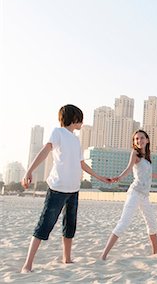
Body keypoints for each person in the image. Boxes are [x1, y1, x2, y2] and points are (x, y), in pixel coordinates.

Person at [21, 104, 110, 273]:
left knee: (70, 225)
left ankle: (67, 258)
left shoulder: (76, 140)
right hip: (57, 187)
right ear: (74, 118)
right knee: (45, 223)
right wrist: (29, 171)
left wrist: (100, 178)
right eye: (80, 119)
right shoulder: (58, 132)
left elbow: (82, 164)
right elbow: (45, 151)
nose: (82, 123)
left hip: (73, 189)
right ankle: (28, 264)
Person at [101, 130, 157, 260]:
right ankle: (103, 255)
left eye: (142, 138)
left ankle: (156, 251)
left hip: (144, 196)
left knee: (152, 223)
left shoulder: (147, 158)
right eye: (136, 139)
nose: (139, 141)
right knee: (123, 223)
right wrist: (119, 177)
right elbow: (128, 168)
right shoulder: (135, 153)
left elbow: (149, 175)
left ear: (147, 140)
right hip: (135, 193)